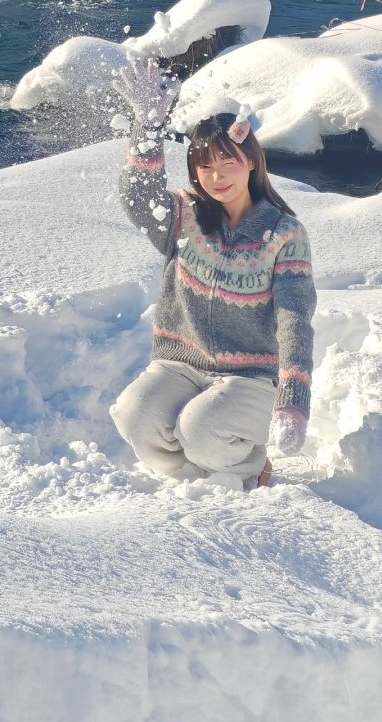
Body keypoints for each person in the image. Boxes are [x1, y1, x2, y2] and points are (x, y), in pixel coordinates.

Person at [110, 56, 316, 489]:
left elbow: (294, 319)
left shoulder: (284, 233)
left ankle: (245, 467)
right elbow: (137, 198)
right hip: (181, 364)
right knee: (135, 417)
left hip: (253, 377)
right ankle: (194, 478)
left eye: (229, 163)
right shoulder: (182, 216)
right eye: (205, 166)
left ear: (253, 162)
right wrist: (147, 129)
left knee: (200, 432)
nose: (217, 176)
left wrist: (293, 400)